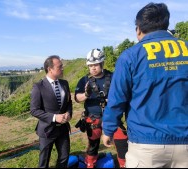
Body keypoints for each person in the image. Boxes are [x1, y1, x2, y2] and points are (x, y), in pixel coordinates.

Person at [102, 2, 188, 168]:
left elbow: (117, 98)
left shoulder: (131, 56)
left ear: (138, 29)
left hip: (146, 144)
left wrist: (109, 129)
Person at [74, 48, 128, 168]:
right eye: (91, 65)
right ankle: (90, 164)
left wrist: (113, 99)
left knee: (122, 142)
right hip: (93, 118)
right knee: (93, 145)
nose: (93, 68)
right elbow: (77, 98)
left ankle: (124, 164)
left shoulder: (113, 77)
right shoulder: (84, 80)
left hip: (112, 117)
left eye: (96, 65)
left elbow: (123, 93)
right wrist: (86, 95)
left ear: (102, 63)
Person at [30, 55, 73, 168]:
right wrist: (54, 117)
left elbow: (69, 102)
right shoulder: (38, 87)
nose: (62, 68)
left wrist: (68, 113)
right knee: (44, 162)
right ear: (50, 69)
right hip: (47, 130)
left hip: (63, 129)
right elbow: (34, 110)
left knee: (64, 158)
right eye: (60, 66)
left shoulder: (65, 83)